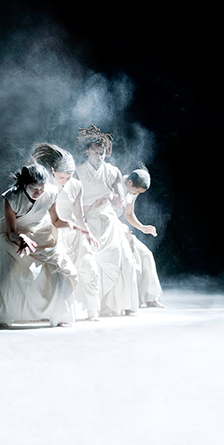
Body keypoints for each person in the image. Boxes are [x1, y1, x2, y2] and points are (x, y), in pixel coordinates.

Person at [0, 163, 78, 328]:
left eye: (42, 188)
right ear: (25, 185)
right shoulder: (11, 197)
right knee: (11, 273)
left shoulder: (51, 192)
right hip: (14, 236)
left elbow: (56, 221)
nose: (39, 193)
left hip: (41, 232)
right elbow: (11, 231)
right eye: (34, 189)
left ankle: (58, 315)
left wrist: (73, 224)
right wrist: (21, 237)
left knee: (56, 270)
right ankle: (3, 317)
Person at [31, 143, 101, 321]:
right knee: (55, 277)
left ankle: (93, 312)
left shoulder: (76, 185)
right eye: (62, 177)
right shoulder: (44, 186)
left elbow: (79, 215)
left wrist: (89, 234)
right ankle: (49, 313)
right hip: (53, 235)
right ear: (53, 170)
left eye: (69, 176)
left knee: (90, 270)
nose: (65, 180)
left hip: (74, 234)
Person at [74, 125, 139, 317]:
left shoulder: (113, 172)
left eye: (102, 153)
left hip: (108, 220)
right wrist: (93, 206)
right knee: (88, 260)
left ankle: (116, 303)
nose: (99, 156)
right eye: (95, 152)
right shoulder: (78, 172)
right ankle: (91, 305)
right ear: (87, 151)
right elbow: (73, 204)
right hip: (86, 219)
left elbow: (119, 200)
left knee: (124, 258)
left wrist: (115, 200)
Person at [113, 168, 164, 308]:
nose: (136, 194)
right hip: (106, 227)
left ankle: (151, 298)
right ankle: (126, 301)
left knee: (146, 254)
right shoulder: (114, 184)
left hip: (120, 228)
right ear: (129, 182)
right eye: (136, 192)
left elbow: (129, 214)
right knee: (130, 258)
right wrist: (120, 229)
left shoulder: (132, 191)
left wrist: (142, 227)